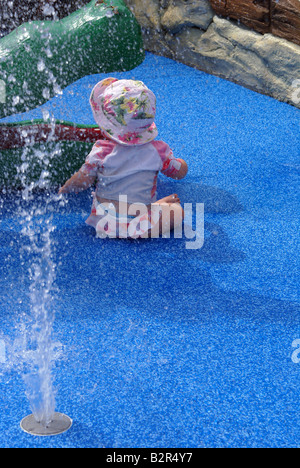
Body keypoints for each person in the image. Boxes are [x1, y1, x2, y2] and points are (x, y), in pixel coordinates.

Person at [58, 77, 188, 239]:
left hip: (103, 223)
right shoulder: (158, 151)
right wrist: (182, 164)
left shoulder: (101, 151)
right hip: (139, 228)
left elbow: (82, 180)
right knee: (179, 212)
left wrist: (66, 188)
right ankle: (155, 208)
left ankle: (153, 207)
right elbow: (179, 172)